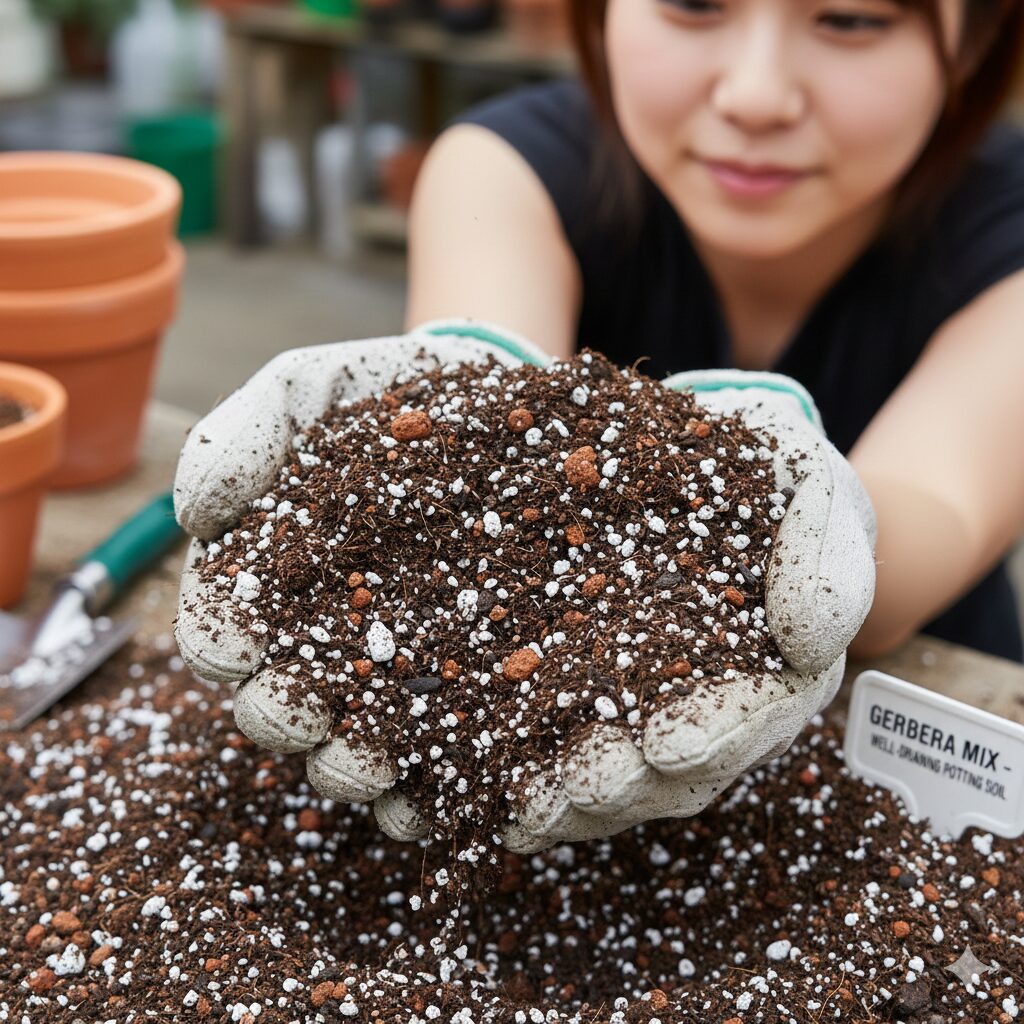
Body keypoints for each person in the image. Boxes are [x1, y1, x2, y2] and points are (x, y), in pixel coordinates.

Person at [405, 0, 1024, 662]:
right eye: (694, 3)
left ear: (977, 36)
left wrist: (781, 520)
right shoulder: (513, 167)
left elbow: (923, 531)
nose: (755, 99)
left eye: (850, 18)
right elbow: (469, 449)